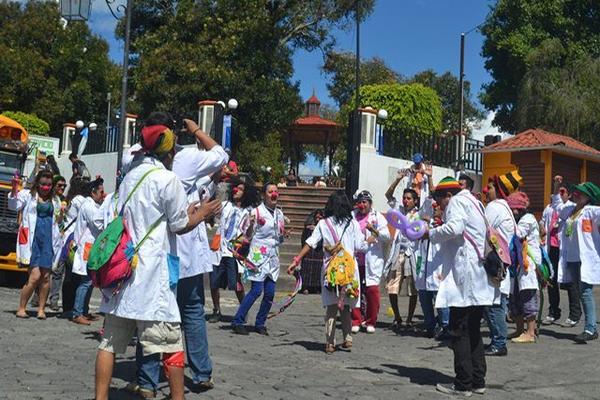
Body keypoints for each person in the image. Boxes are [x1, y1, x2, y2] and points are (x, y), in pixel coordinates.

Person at [94, 115, 222, 400]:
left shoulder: (130, 176)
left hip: (125, 273)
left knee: (109, 343)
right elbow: (179, 224)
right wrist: (201, 214)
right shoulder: (168, 179)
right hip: (154, 275)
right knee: (172, 342)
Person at [130, 115, 228, 398]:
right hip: (185, 250)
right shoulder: (186, 158)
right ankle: (200, 372)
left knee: (151, 315)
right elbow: (220, 154)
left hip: (156, 251)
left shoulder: (134, 160)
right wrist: (196, 129)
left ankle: (147, 378)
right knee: (193, 312)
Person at [422, 177, 498, 397]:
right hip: (476, 274)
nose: (440, 206)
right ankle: (478, 380)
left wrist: (431, 233)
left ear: (447, 195)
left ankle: (463, 383)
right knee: (473, 329)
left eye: (439, 200)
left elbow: (455, 227)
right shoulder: (475, 202)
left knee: (459, 329)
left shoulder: (456, 202)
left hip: (465, 276)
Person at [288, 191, 371, 353]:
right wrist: (369, 241)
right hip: (349, 271)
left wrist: (296, 260)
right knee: (346, 307)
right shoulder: (352, 223)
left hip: (330, 271)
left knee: (331, 308)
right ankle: (347, 337)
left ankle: (330, 342)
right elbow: (361, 247)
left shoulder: (323, 224)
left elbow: (311, 243)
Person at [231, 183, 286, 336]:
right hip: (258, 256)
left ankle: (260, 323)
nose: (274, 194)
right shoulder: (256, 212)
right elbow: (246, 235)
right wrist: (251, 225)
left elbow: (279, 237)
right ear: (264, 195)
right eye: (270, 192)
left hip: (273, 257)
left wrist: (283, 234)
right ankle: (238, 321)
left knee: (269, 293)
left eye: (276, 191)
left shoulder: (279, 214)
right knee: (256, 291)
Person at [552, 176, 600, 343]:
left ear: (589, 197)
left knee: (585, 292)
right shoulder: (570, 209)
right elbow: (557, 206)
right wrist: (557, 186)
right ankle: (589, 326)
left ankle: (590, 328)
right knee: (581, 292)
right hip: (571, 259)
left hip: (585, 259)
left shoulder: (591, 211)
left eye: (582, 193)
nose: (577, 194)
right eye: (577, 192)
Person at [10, 170, 63, 319]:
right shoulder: (28, 195)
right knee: (34, 276)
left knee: (46, 277)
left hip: (49, 240)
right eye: (43, 184)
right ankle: (21, 308)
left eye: (49, 185)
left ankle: (41, 310)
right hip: (33, 240)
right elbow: (13, 206)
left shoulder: (56, 200)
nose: (46, 187)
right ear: (38, 184)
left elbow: (58, 220)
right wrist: (14, 190)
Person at [480, 170, 522, 357]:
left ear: (498, 190)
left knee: (494, 305)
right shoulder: (504, 208)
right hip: (502, 264)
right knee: (497, 303)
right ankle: (498, 341)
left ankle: (499, 343)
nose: (486, 190)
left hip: (495, 263)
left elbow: (482, 229)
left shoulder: (495, 207)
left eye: (490, 187)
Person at [209, 176, 257, 323]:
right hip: (219, 248)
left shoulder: (249, 212)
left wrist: (250, 225)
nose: (237, 191)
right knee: (213, 283)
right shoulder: (224, 205)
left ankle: (243, 310)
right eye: (236, 188)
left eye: (241, 189)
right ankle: (216, 310)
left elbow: (248, 235)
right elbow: (212, 215)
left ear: (246, 193)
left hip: (234, 251)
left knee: (236, 284)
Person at [541, 182, 582, 327]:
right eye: (559, 192)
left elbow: (561, 209)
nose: (560, 194)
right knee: (552, 281)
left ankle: (574, 314)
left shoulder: (571, 207)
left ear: (569, 194)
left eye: (563, 191)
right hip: (551, 248)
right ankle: (553, 311)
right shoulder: (549, 208)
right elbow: (543, 221)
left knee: (570, 282)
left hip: (566, 250)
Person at [350, 190, 390, 333]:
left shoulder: (377, 217)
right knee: (354, 290)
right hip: (356, 259)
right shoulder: (352, 216)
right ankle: (355, 319)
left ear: (370, 203)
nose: (362, 205)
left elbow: (387, 236)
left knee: (372, 291)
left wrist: (374, 230)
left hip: (372, 260)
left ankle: (371, 321)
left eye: (364, 202)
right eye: (360, 202)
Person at [384, 188, 421, 331]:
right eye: (404, 198)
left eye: (409, 198)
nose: (406, 201)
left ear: (415, 201)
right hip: (398, 252)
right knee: (392, 285)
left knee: (413, 287)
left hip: (412, 253)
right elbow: (388, 196)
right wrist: (398, 179)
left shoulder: (419, 215)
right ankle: (397, 317)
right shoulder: (399, 211)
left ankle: (410, 319)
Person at [70, 177, 105, 325]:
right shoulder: (89, 205)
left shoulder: (94, 205)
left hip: (90, 247)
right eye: (101, 192)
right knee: (86, 281)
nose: (103, 195)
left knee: (90, 281)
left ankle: (83, 311)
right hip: (86, 248)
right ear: (93, 192)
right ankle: (77, 313)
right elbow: (98, 225)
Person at [506, 191, 540, 344]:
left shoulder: (527, 219)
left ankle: (531, 332)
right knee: (516, 297)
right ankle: (520, 329)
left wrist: (507, 223)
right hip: (519, 265)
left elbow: (518, 234)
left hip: (528, 265)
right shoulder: (521, 219)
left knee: (528, 297)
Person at [415, 203, 450, 339]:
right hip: (423, 266)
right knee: (424, 298)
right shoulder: (423, 225)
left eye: (437, 207)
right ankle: (430, 325)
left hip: (437, 267)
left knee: (440, 299)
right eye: (433, 207)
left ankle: (445, 325)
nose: (435, 209)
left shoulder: (444, 226)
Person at [299, 209, 325, 294]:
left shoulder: (324, 227)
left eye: (320, 217)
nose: (318, 219)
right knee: (307, 269)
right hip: (309, 252)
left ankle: (317, 287)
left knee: (318, 270)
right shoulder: (308, 226)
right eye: (316, 217)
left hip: (319, 251)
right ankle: (305, 287)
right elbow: (304, 239)